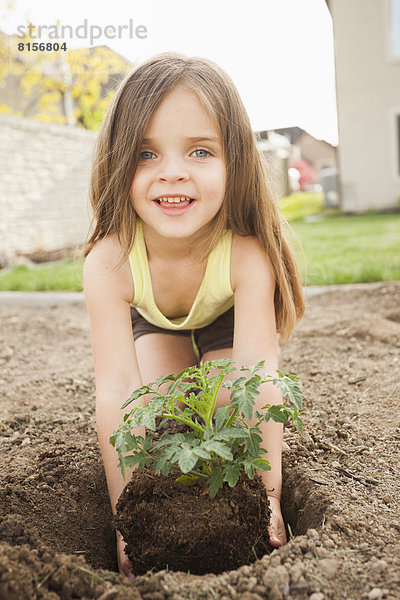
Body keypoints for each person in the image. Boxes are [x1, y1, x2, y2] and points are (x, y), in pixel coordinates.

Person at [83, 52, 305, 577]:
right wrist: (126, 529)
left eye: (201, 151)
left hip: (224, 317)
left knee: (230, 394)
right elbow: (116, 393)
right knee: (161, 404)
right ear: (118, 162)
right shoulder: (110, 262)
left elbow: (261, 378)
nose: (173, 173)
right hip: (156, 320)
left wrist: (268, 500)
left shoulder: (247, 253)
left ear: (235, 163)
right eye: (145, 155)